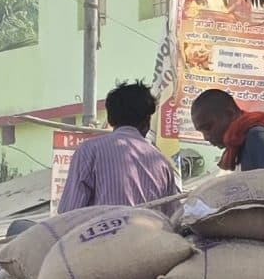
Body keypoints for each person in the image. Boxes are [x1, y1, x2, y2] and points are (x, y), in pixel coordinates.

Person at [58, 81, 180, 211]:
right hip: (150, 230)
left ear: (110, 119)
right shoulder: (161, 162)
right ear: (147, 121)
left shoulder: (89, 151)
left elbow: (69, 213)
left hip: (102, 230)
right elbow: (172, 218)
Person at [190, 88, 264, 173]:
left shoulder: (258, 137)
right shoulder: (241, 140)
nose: (206, 137)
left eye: (208, 127)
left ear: (230, 113)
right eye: (202, 131)